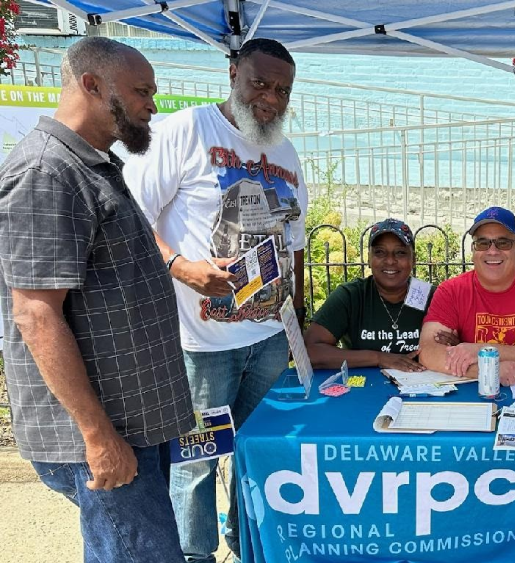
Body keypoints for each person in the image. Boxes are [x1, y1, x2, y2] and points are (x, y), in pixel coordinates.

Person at [0, 37, 194, 561]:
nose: (152, 104)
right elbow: (36, 315)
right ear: (91, 85)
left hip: (133, 424)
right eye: (141, 91)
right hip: (103, 435)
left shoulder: (91, 164)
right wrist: (98, 435)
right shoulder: (47, 173)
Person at [123, 38, 308, 563]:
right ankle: (194, 556)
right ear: (233, 73)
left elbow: (292, 245)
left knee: (256, 455)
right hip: (202, 344)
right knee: (197, 462)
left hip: (270, 341)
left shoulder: (287, 153)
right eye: (260, 83)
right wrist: (181, 267)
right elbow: (131, 218)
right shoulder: (185, 131)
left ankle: (244, 544)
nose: (270, 97)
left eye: (282, 90)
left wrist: (294, 323)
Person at [419, 206, 515, 385]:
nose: (492, 251)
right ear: (473, 251)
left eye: (503, 243)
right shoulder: (451, 291)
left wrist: (481, 350)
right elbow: (428, 351)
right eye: (483, 243)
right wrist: (486, 369)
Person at [304, 218, 436, 370]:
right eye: (380, 252)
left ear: (414, 259)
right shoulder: (351, 296)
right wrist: (379, 358)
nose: (390, 261)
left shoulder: (430, 296)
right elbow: (310, 352)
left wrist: (451, 342)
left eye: (400, 253)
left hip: (420, 387)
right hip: (361, 388)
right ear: (368, 258)